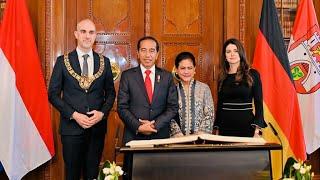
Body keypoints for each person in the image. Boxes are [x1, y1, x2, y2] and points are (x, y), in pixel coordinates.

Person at [48, 19, 116, 180]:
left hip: (96, 129)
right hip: (71, 129)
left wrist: (102, 114)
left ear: (95, 36)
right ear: (76, 34)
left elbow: (111, 94)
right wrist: (74, 115)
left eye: (91, 32)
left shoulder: (104, 62)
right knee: (72, 174)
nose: (87, 36)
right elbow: (53, 94)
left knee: (92, 174)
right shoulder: (62, 61)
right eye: (83, 32)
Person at [117, 36, 178, 179]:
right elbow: (122, 107)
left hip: (160, 136)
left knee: (160, 176)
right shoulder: (127, 76)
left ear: (157, 54)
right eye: (143, 50)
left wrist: (154, 125)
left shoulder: (167, 77)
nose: (147, 55)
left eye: (151, 51)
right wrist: (138, 126)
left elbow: (173, 107)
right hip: (134, 137)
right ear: (137, 53)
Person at [213, 38, 266, 137]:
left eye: (235, 51)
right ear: (225, 56)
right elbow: (220, 105)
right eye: (228, 51)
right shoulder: (222, 77)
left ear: (241, 53)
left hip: (246, 126)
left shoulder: (253, 74)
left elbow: (259, 103)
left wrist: (257, 130)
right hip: (225, 127)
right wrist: (217, 128)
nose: (232, 54)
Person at [170, 52, 214, 137]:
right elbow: (168, 115)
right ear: (176, 69)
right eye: (182, 68)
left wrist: (198, 135)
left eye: (189, 68)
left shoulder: (204, 88)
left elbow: (209, 115)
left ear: (194, 69)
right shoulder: (172, 90)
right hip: (177, 141)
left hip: (200, 141)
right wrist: (178, 136)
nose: (186, 71)